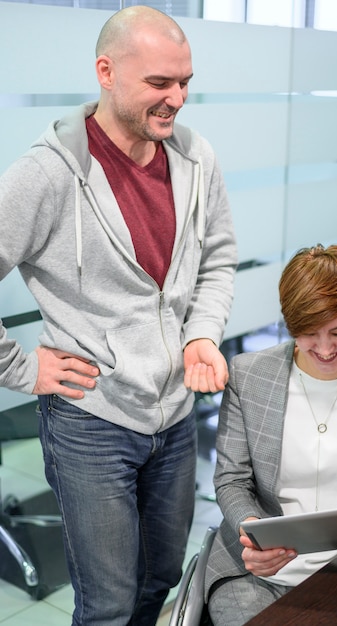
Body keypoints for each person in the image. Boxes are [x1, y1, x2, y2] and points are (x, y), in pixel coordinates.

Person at [0, 6, 236, 626]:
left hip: (176, 414)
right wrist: (20, 369)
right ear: (106, 72)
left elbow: (219, 257)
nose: (177, 98)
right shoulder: (46, 175)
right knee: (106, 605)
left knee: (160, 575)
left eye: (185, 82)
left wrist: (202, 334)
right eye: (159, 83)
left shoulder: (196, 158)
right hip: (91, 422)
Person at [205, 244, 337, 626]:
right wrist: (251, 532)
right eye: (306, 333)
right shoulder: (250, 376)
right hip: (259, 578)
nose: (323, 349)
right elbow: (231, 480)